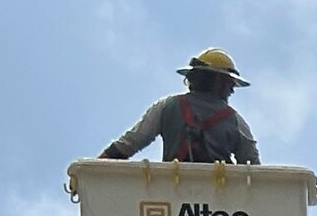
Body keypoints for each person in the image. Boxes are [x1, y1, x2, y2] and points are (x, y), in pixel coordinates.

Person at [99, 49, 260, 166]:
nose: (232, 89)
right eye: (229, 83)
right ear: (218, 80)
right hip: (223, 205)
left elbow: (127, 144)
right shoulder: (237, 121)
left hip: (174, 196)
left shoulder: (165, 107)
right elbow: (253, 169)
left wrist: (92, 170)